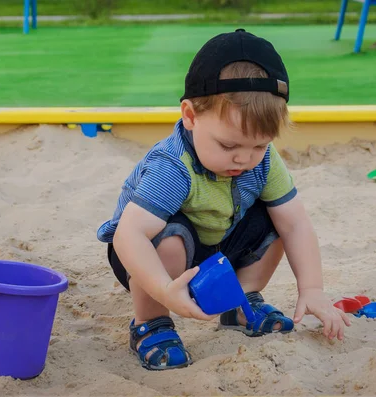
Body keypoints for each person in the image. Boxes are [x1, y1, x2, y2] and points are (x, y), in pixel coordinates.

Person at [96, 28, 351, 371]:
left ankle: (239, 303)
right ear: (190, 116)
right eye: (229, 146)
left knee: (277, 220)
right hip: (146, 256)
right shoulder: (174, 167)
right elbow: (130, 236)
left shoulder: (263, 161)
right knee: (169, 239)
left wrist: (313, 288)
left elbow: (296, 224)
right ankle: (151, 322)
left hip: (218, 242)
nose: (244, 159)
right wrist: (163, 289)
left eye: (259, 146)